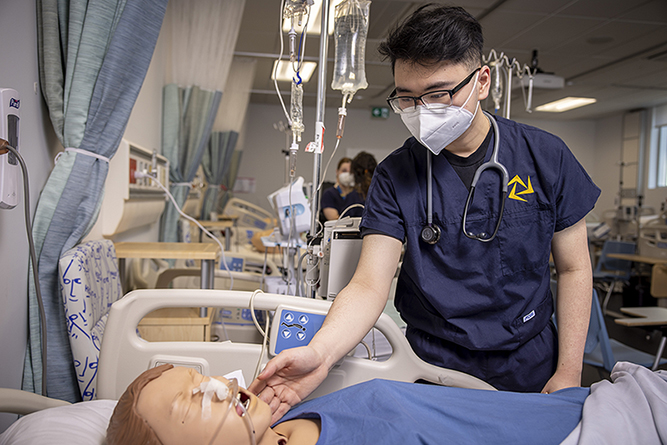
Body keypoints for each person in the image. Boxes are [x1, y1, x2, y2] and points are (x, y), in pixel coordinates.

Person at [251, 4, 600, 420]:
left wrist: (569, 371)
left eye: (438, 94)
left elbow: (575, 269)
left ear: (481, 81)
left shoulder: (546, 157)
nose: (423, 110)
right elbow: (368, 285)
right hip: (431, 364)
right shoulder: (395, 174)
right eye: (407, 98)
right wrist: (321, 354)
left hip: (529, 362)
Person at [106, 364, 588, 445]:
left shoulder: (282, 420)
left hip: (573, 407)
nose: (216, 386)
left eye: (200, 377)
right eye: (192, 403)